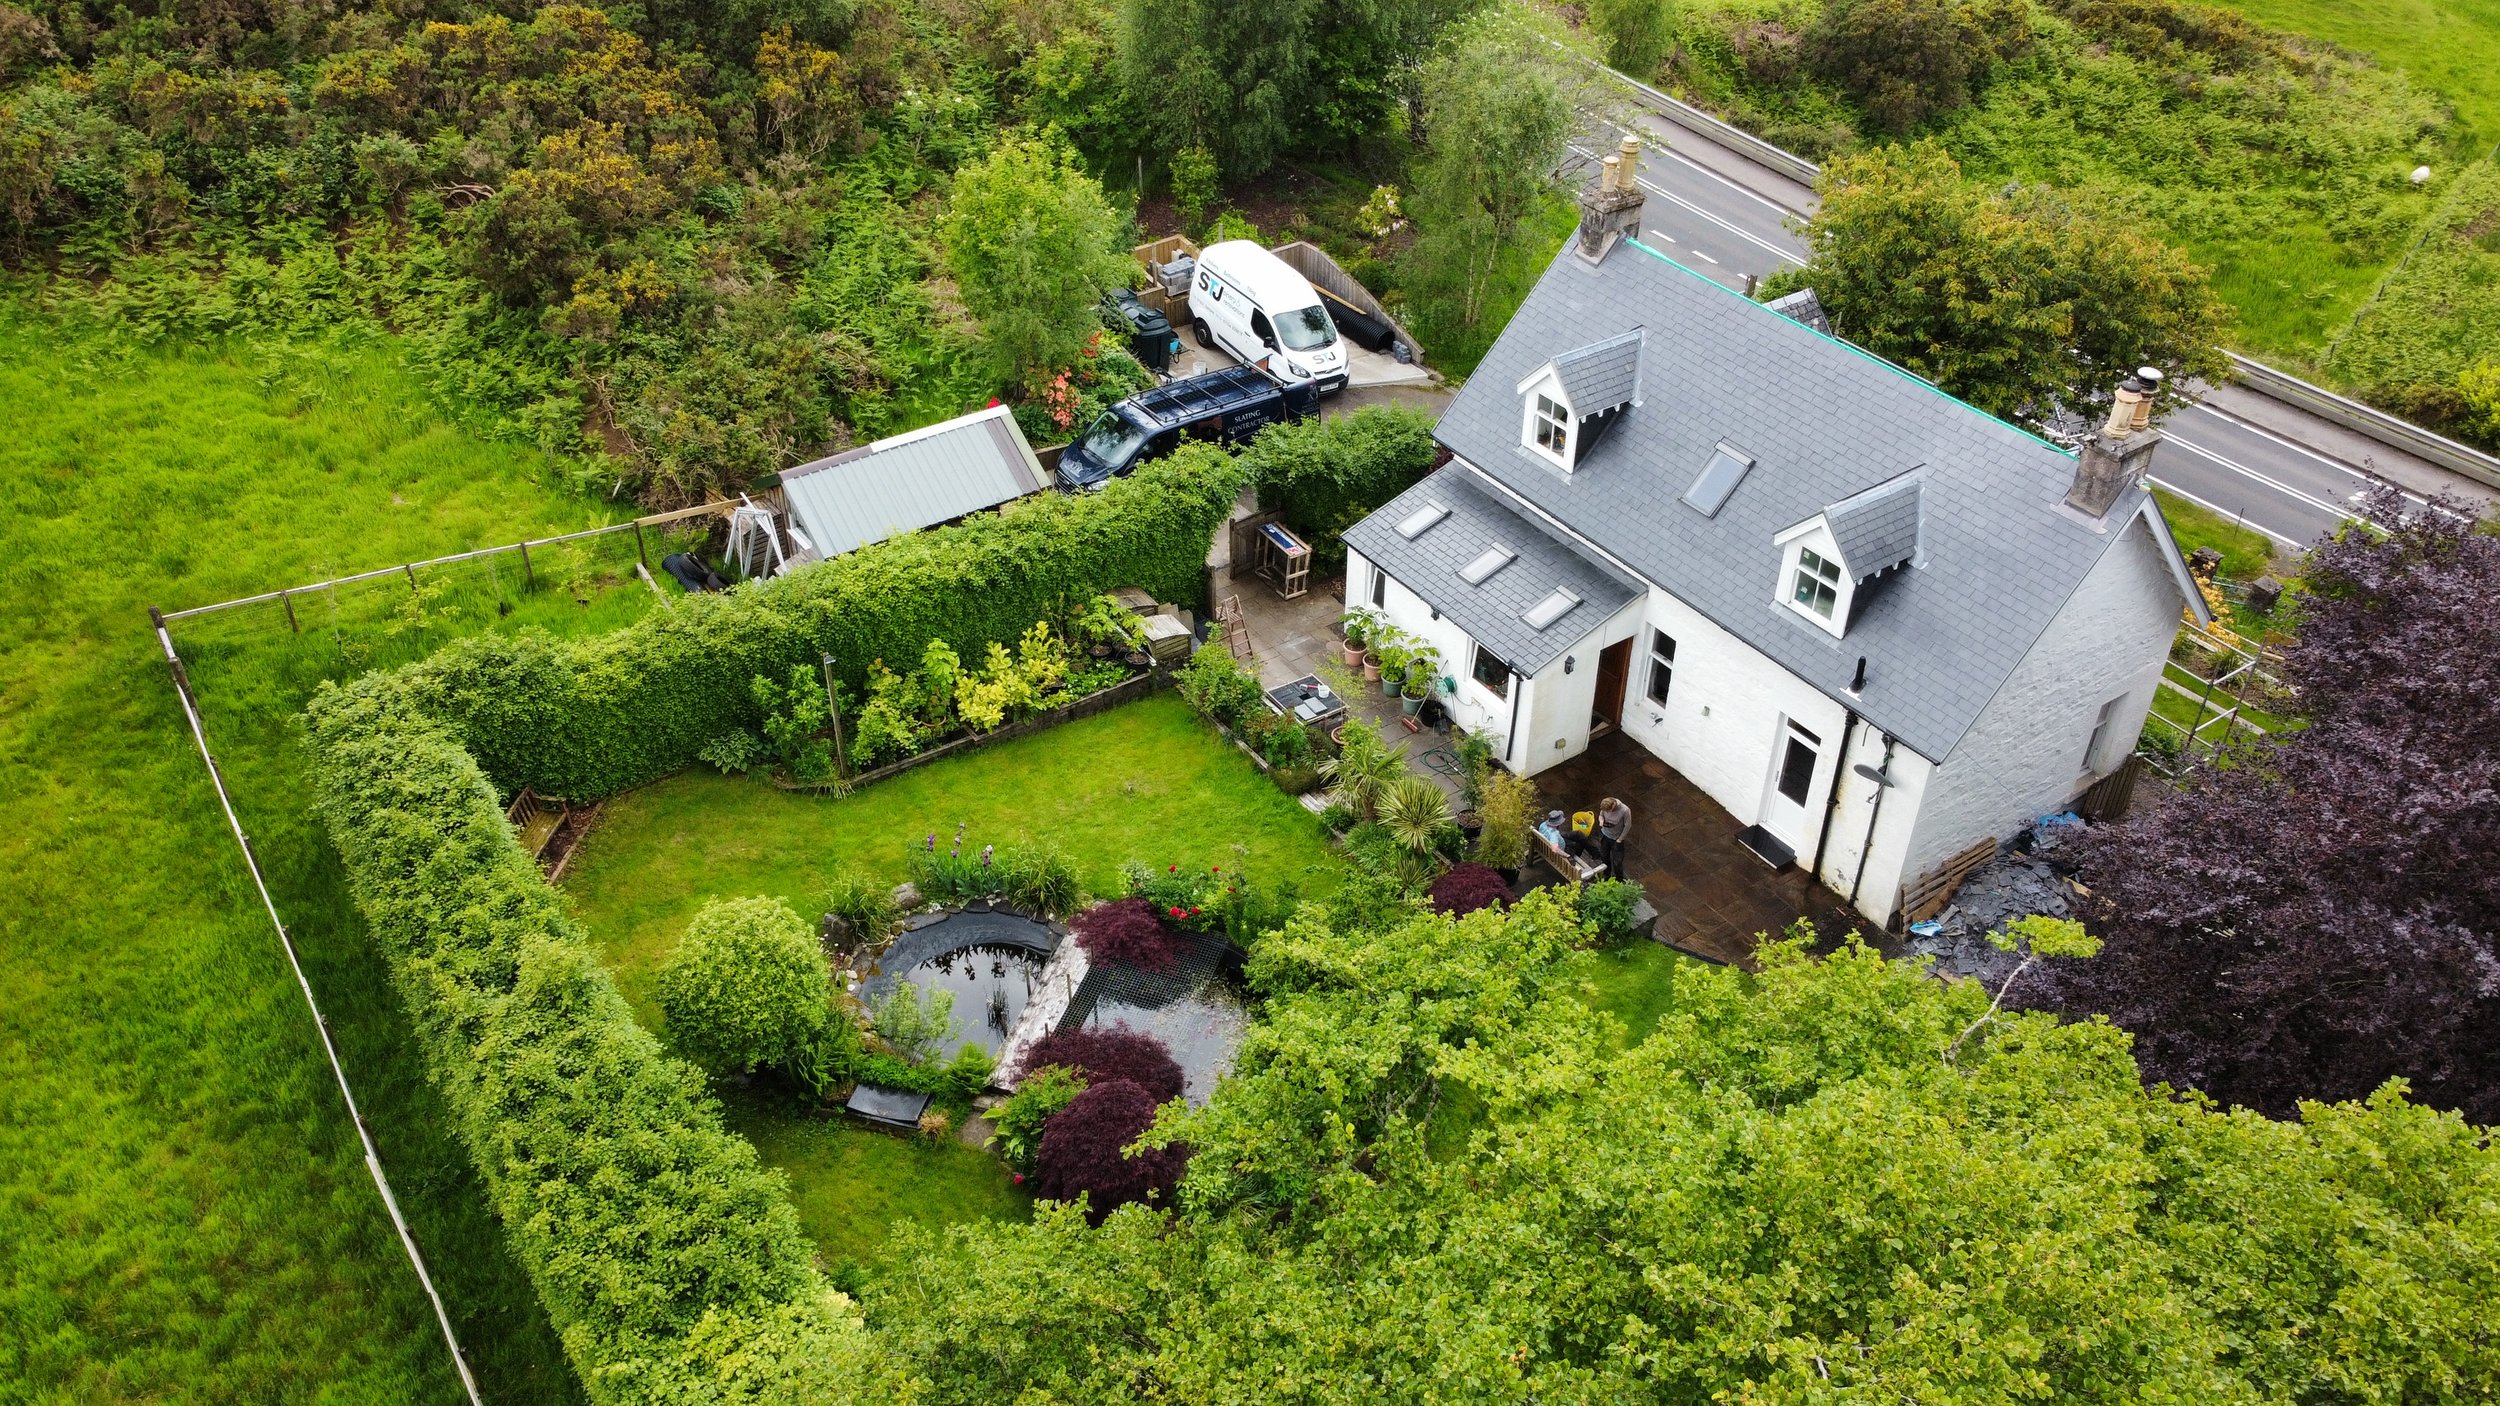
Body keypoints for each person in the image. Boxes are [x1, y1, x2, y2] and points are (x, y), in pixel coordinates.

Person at [1596, 796, 1631, 880]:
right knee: (1604, 856)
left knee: (1617, 862)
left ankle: (1619, 879)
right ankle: (1606, 874)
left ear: (1613, 805)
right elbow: (1601, 815)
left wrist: (1620, 839)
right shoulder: (1605, 805)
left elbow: (1628, 826)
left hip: (1616, 839)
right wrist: (1601, 820)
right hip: (1605, 835)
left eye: (1609, 810)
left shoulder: (1625, 810)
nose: (1607, 812)